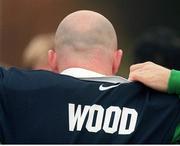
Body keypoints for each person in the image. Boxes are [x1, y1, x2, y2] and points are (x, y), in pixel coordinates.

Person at [0, 10, 179, 144]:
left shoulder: (15, 92)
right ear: (117, 59)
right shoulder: (156, 108)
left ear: (52, 59)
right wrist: (173, 79)